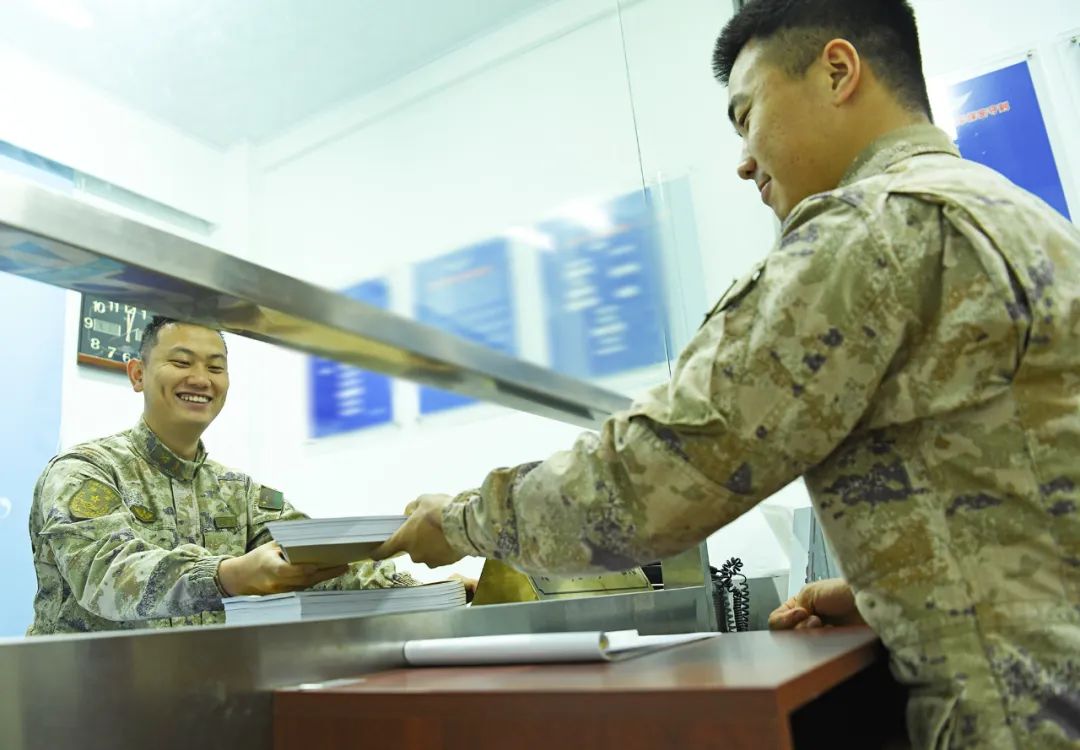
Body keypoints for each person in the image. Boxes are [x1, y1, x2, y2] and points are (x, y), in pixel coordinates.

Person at [373, 1, 1080, 747]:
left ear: (838, 71)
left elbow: (649, 482)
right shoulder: (1015, 214)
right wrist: (894, 592)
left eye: (746, 116)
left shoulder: (870, 232)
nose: (743, 159)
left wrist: (461, 522)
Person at [28, 316, 419, 634]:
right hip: (84, 694)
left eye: (215, 367)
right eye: (181, 363)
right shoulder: (83, 471)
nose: (202, 379)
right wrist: (226, 575)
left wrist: (418, 586)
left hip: (204, 691)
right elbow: (108, 576)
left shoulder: (239, 492)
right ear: (137, 374)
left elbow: (314, 558)